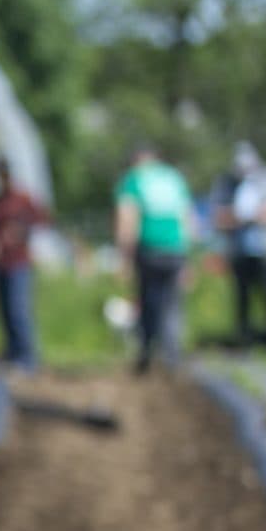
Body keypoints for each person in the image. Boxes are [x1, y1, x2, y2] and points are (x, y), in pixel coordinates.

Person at [114, 146, 194, 374]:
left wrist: (125, 257)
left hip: (149, 248)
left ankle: (146, 354)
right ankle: (172, 356)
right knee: (172, 304)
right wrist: (188, 257)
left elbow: (127, 218)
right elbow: (187, 217)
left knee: (148, 301)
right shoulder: (174, 178)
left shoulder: (133, 180)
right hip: (176, 248)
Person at [0, 155, 51, 373]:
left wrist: (18, 232)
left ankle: (28, 357)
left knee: (18, 309)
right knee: (4, 310)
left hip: (18, 262)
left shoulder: (22, 199)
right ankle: (12, 352)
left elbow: (42, 220)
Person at [214, 142, 266, 349]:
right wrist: (243, 218)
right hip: (240, 251)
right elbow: (220, 217)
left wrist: (253, 216)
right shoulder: (227, 185)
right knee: (242, 298)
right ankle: (244, 338)